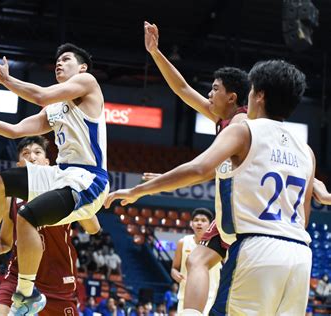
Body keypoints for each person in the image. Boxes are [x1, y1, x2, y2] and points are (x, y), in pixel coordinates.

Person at [105, 60, 314, 315]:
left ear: (259, 95)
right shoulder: (307, 151)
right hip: (300, 254)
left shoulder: (242, 130)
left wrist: (137, 191)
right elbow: (304, 214)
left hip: (256, 245)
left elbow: (198, 169)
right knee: (199, 260)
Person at [0, 43, 108, 314]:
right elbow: (15, 130)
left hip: (88, 178)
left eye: (65, 59)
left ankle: (27, 294)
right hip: (61, 174)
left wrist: (6, 79)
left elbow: (40, 95)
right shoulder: (55, 109)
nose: (59, 64)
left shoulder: (87, 82)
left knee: (27, 215)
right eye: (57, 61)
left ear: (82, 67)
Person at [143, 21, 250, 313]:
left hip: (248, 214)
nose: (209, 94)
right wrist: (155, 52)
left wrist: (161, 181)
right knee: (196, 260)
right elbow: (181, 88)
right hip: (230, 212)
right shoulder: (224, 120)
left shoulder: (242, 124)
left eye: (215, 89)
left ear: (232, 97)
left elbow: (203, 169)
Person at [0, 136, 99, 315]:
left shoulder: (63, 189)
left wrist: (79, 197)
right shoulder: (11, 198)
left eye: (37, 152)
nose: (32, 157)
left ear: (47, 162)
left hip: (57, 280)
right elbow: (4, 243)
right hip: (18, 278)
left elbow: (93, 228)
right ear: (20, 164)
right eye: (25, 154)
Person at [171, 208, 219, 314]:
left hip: (211, 297)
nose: (199, 223)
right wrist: (176, 275)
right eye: (196, 220)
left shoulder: (218, 245)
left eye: (203, 220)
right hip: (185, 296)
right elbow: (174, 268)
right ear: (191, 224)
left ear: (210, 225)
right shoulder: (183, 242)